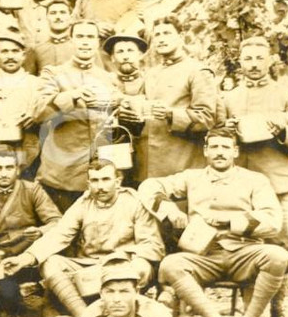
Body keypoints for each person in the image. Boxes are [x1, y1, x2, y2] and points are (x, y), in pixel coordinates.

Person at [140, 126, 288, 317]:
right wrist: (169, 209)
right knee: (171, 264)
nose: (220, 152)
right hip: (203, 255)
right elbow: (149, 186)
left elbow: (272, 221)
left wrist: (230, 223)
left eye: (226, 147)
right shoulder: (192, 178)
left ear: (235, 152)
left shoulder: (255, 180)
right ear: (206, 151)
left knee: (278, 257)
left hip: (244, 252)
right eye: (215, 147)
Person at [4, 158, 165, 317]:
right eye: (95, 181)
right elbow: (59, 234)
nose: (100, 186)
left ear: (118, 181)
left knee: (140, 266)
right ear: (88, 184)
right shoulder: (84, 203)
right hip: (89, 264)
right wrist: (24, 259)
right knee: (51, 263)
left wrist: (122, 256)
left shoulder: (134, 202)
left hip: (123, 264)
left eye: (105, 179)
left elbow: (154, 246)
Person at [221, 36, 288, 317]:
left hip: (280, 185)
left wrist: (281, 130)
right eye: (248, 59)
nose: (254, 64)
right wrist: (229, 130)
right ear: (240, 62)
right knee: (247, 246)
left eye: (259, 58)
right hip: (244, 187)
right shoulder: (230, 97)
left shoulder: (285, 95)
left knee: (280, 246)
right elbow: (219, 141)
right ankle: (250, 313)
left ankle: (279, 310)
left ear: (270, 61)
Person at [36, 21, 122, 212]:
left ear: (98, 42)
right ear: (71, 40)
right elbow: (39, 113)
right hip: (62, 173)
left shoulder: (109, 78)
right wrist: (73, 96)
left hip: (99, 173)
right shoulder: (53, 73)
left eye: (90, 37)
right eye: (80, 37)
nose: (85, 42)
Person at [0, 149, 61, 316]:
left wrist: (40, 231)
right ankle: (8, 296)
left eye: (9, 168)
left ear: (17, 170)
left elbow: (57, 222)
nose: (4, 173)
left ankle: (43, 297)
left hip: (28, 256)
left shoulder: (33, 190)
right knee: (5, 298)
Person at [136, 16, 217, 180]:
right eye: (157, 35)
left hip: (181, 165)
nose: (161, 39)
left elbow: (207, 118)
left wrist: (170, 114)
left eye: (167, 33)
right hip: (147, 166)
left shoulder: (198, 71)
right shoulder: (151, 74)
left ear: (181, 37)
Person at [0, 31, 47, 177]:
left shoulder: (37, 84)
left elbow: (48, 116)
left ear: (24, 55)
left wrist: (36, 116)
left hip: (28, 153)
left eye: (15, 51)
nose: (10, 56)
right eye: (4, 51)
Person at [104, 33, 150, 187]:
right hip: (114, 150)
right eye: (120, 52)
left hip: (146, 153)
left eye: (130, 51)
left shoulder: (151, 81)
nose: (125, 56)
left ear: (140, 54)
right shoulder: (106, 81)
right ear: (112, 58)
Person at [32, 0, 75, 71]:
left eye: (62, 12)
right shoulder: (37, 50)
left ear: (71, 18)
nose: (58, 17)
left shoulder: (80, 48)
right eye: (53, 13)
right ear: (46, 18)